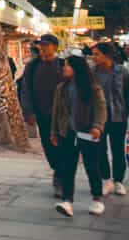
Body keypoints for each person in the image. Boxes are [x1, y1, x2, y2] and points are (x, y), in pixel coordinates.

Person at [52, 55, 107, 217]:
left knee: (92, 167)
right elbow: (56, 112)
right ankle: (67, 201)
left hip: (88, 133)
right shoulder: (61, 88)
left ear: (76, 68)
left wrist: (98, 127)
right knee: (68, 168)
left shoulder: (93, 88)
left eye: (67, 66)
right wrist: (54, 132)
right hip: (67, 134)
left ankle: (97, 198)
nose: (64, 68)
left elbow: (101, 109)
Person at [19, 34, 65, 197]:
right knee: (48, 146)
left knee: (62, 146)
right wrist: (28, 112)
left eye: (46, 44)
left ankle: (60, 177)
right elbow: (25, 90)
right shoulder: (33, 66)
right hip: (42, 114)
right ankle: (57, 169)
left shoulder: (63, 64)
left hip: (63, 115)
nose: (42, 47)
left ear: (55, 46)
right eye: (40, 45)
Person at [92, 42, 127, 196]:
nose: (94, 57)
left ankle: (118, 181)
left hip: (119, 117)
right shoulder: (92, 73)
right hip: (99, 119)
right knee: (100, 150)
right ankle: (106, 180)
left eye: (97, 54)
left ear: (107, 55)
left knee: (118, 150)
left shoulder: (122, 72)